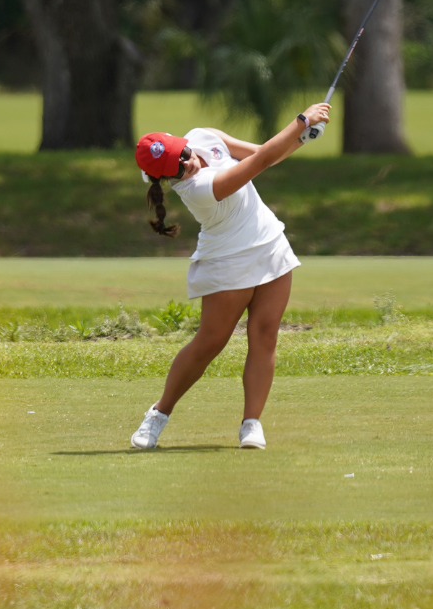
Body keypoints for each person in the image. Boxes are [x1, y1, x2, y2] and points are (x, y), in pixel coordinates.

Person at [128, 102, 331, 451]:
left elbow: (265, 153)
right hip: (227, 260)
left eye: (183, 153)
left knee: (265, 336)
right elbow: (261, 161)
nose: (187, 162)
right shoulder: (198, 189)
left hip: (270, 246)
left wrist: (302, 138)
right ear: (166, 180)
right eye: (176, 168)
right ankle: (158, 414)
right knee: (209, 343)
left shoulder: (202, 137)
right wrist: (300, 121)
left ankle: (251, 424)